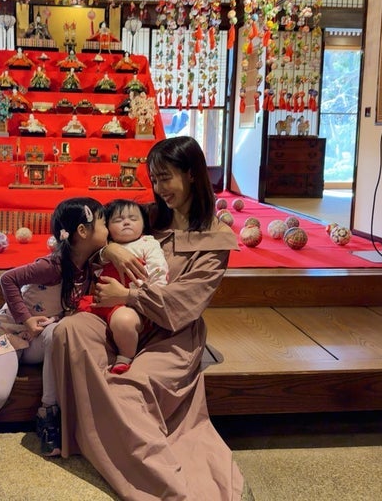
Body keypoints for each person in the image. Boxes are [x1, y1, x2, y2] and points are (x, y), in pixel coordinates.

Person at [52, 136, 249, 501]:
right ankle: (88, 430)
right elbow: (91, 238)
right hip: (117, 316)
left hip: (170, 332)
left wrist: (129, 295)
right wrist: (110, 249)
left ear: (191, 174)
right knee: (69, 330)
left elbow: (186, 302)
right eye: (154, 179)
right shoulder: (146, 216)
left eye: (166, 178)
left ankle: (167, 488)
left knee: (130, 390)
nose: (159, 188)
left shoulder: (216, 238)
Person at [0, 197, 108, 501]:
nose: (108, 228)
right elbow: (7, 278)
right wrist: (25, 318)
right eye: (103, 222)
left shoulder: (87, 264)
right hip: (9, 334)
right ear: (82, 231)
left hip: (39, 338)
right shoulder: (52, 266)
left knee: (59, 332)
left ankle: (47, 414)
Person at [77, 199, 168, 374]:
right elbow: (91, 265)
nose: (126, 222)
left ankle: (125, 355)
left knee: (123, 321)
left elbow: (158, 270)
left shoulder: (147, 243)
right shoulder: (104, 245)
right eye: (118, 220)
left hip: (129, 303)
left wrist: (150, 293)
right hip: (102, 299)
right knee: (75, 312)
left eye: (133, 218)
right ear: (107, 227)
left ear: (143, 224)